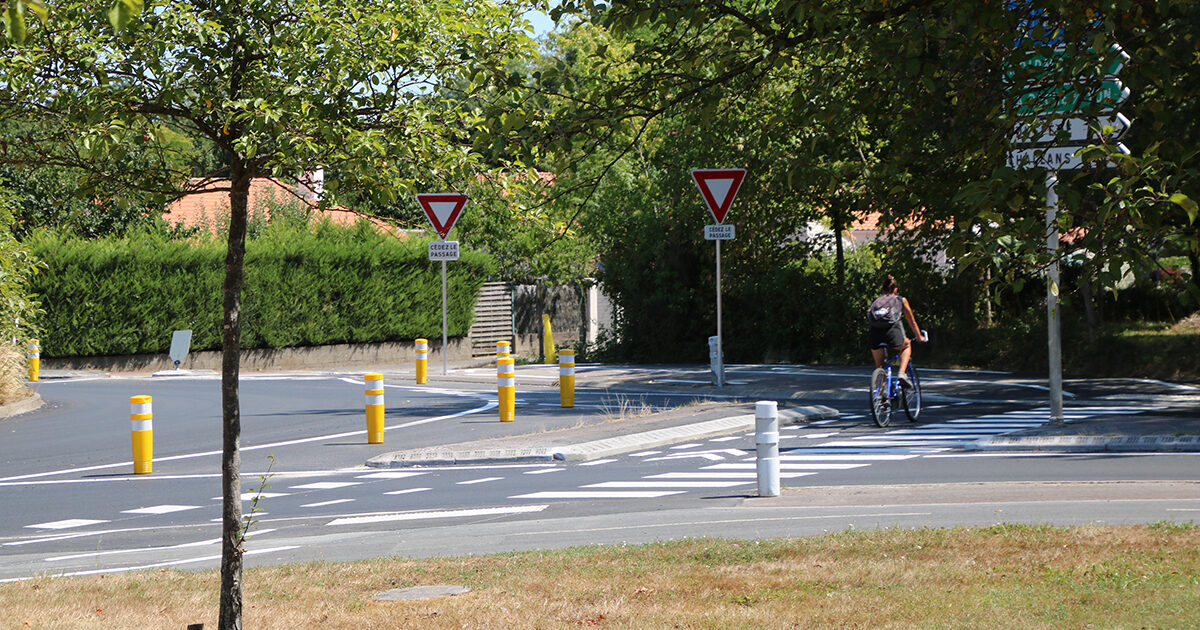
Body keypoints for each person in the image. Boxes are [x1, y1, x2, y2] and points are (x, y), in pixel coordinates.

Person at [867, 274, 926, 387]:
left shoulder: (876, 300)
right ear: (896, 290)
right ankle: (902, 374)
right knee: (907, 345)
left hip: (874, 333)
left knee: (880, 367)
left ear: (882, 290)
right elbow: (912, 322)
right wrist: (919, 337)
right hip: (891, 332)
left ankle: (879, 398)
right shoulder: (900, 300)